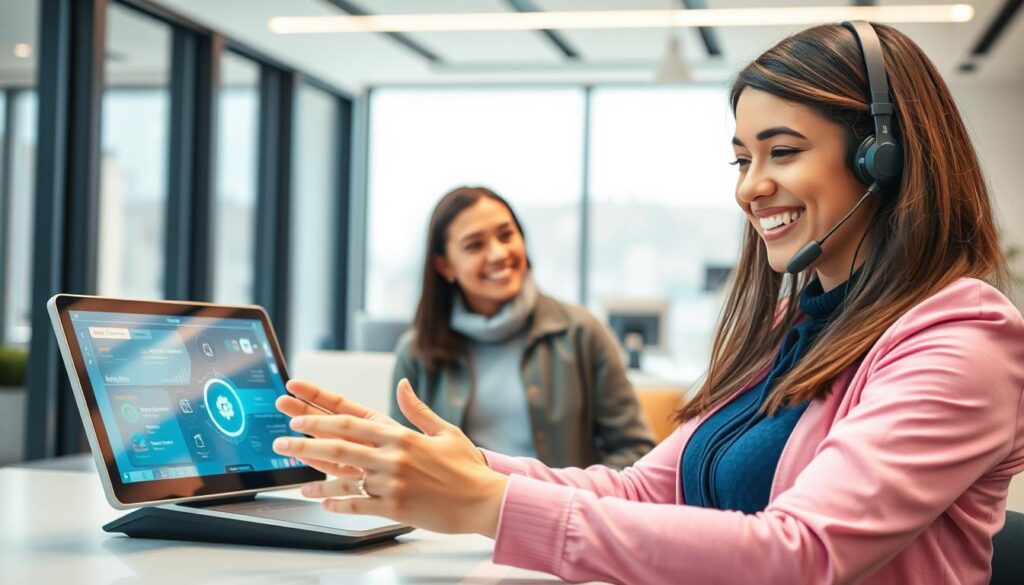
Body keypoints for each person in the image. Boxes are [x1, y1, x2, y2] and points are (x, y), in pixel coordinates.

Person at [273, 22, 1024, 584]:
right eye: (741, 158)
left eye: (782, 151)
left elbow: (806, 553)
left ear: (882, 156)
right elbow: (639, 487)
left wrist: (490, 505)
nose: (748, 186)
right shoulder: (793, 327)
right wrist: (454, 467)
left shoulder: (961, 342)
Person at [389, 185, 654, 469]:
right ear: (445, 266)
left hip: (561, 510)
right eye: (475, 245)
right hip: (458, 513)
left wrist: (573, 495)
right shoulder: (416, 351)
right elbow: (402, 462)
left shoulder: (583, 333)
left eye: (506, 235)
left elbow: (637, 452)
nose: (498, 253)